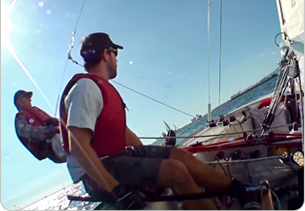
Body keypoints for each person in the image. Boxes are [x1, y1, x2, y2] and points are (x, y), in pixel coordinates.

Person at [59, 32, 240, 210]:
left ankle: (238, 191)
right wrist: (117, 190)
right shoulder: (85, 89)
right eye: (115, 53)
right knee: (174, 170)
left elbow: (123, 133)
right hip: (98, 175)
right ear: (106, 54)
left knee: (181, 156)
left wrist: (152, 161)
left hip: (119, 158)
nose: (116, 60)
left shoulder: (98, 88)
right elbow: (78, 145)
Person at [14, 90, 67, 163]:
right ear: (19, 101)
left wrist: (57, 123)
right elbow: (28, 131)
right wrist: (50, 130)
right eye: (26, 97)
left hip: (58, 139)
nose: (30, 99)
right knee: (76, 133)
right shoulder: (20, 118)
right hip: (53, 146)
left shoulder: (33, 111)